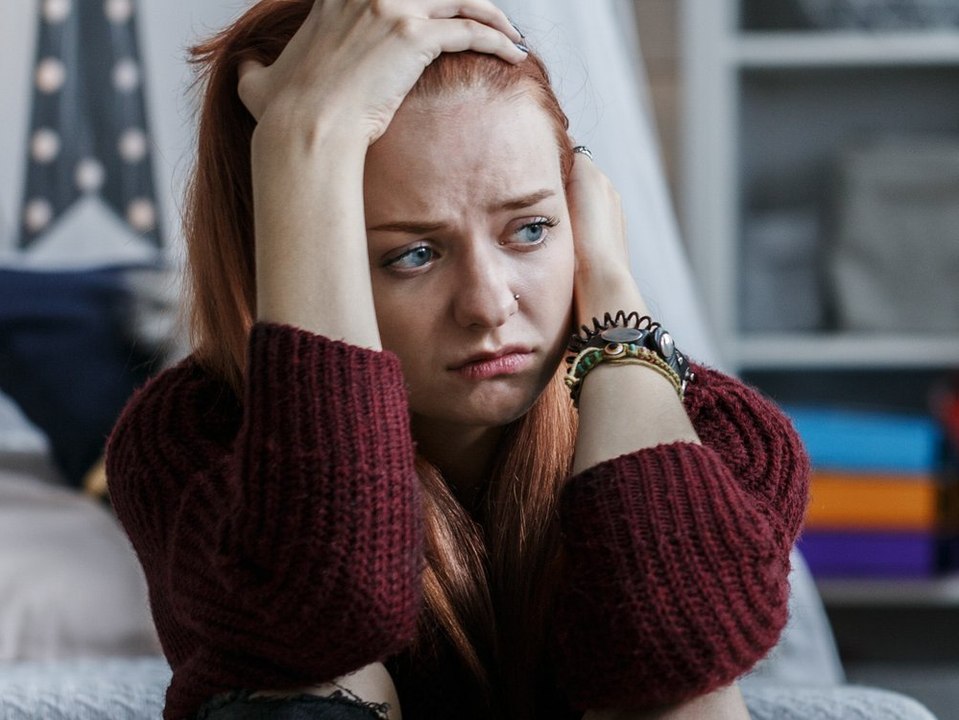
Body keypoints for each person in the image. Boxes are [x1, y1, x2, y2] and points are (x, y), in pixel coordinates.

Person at [106, 1, 809, 719]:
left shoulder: (717, 432)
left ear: (584, 209)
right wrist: (303, 146)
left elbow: (677, 646)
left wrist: (617, 316)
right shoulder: (190, 435)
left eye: (531, 229)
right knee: (315, 679)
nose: (487, 303)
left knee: (680, 690)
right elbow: (326, 611)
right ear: (292, 246)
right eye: (411, 254)